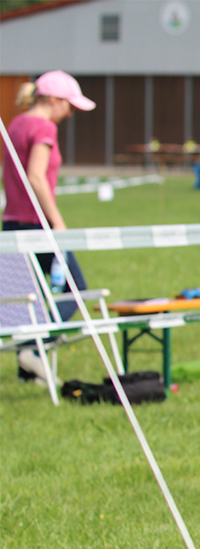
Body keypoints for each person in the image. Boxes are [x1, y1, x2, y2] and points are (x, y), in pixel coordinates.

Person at [2, 70, 95, 383]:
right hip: (37, 225)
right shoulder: (44, 127)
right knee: (75, 291)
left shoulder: (16, 123)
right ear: (53, 100)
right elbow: (36, 176)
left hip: (11, 223)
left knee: (29, 298)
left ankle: (27, 372)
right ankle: (33, 346)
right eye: (68, 105)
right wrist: (57, 221)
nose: (69, 113)